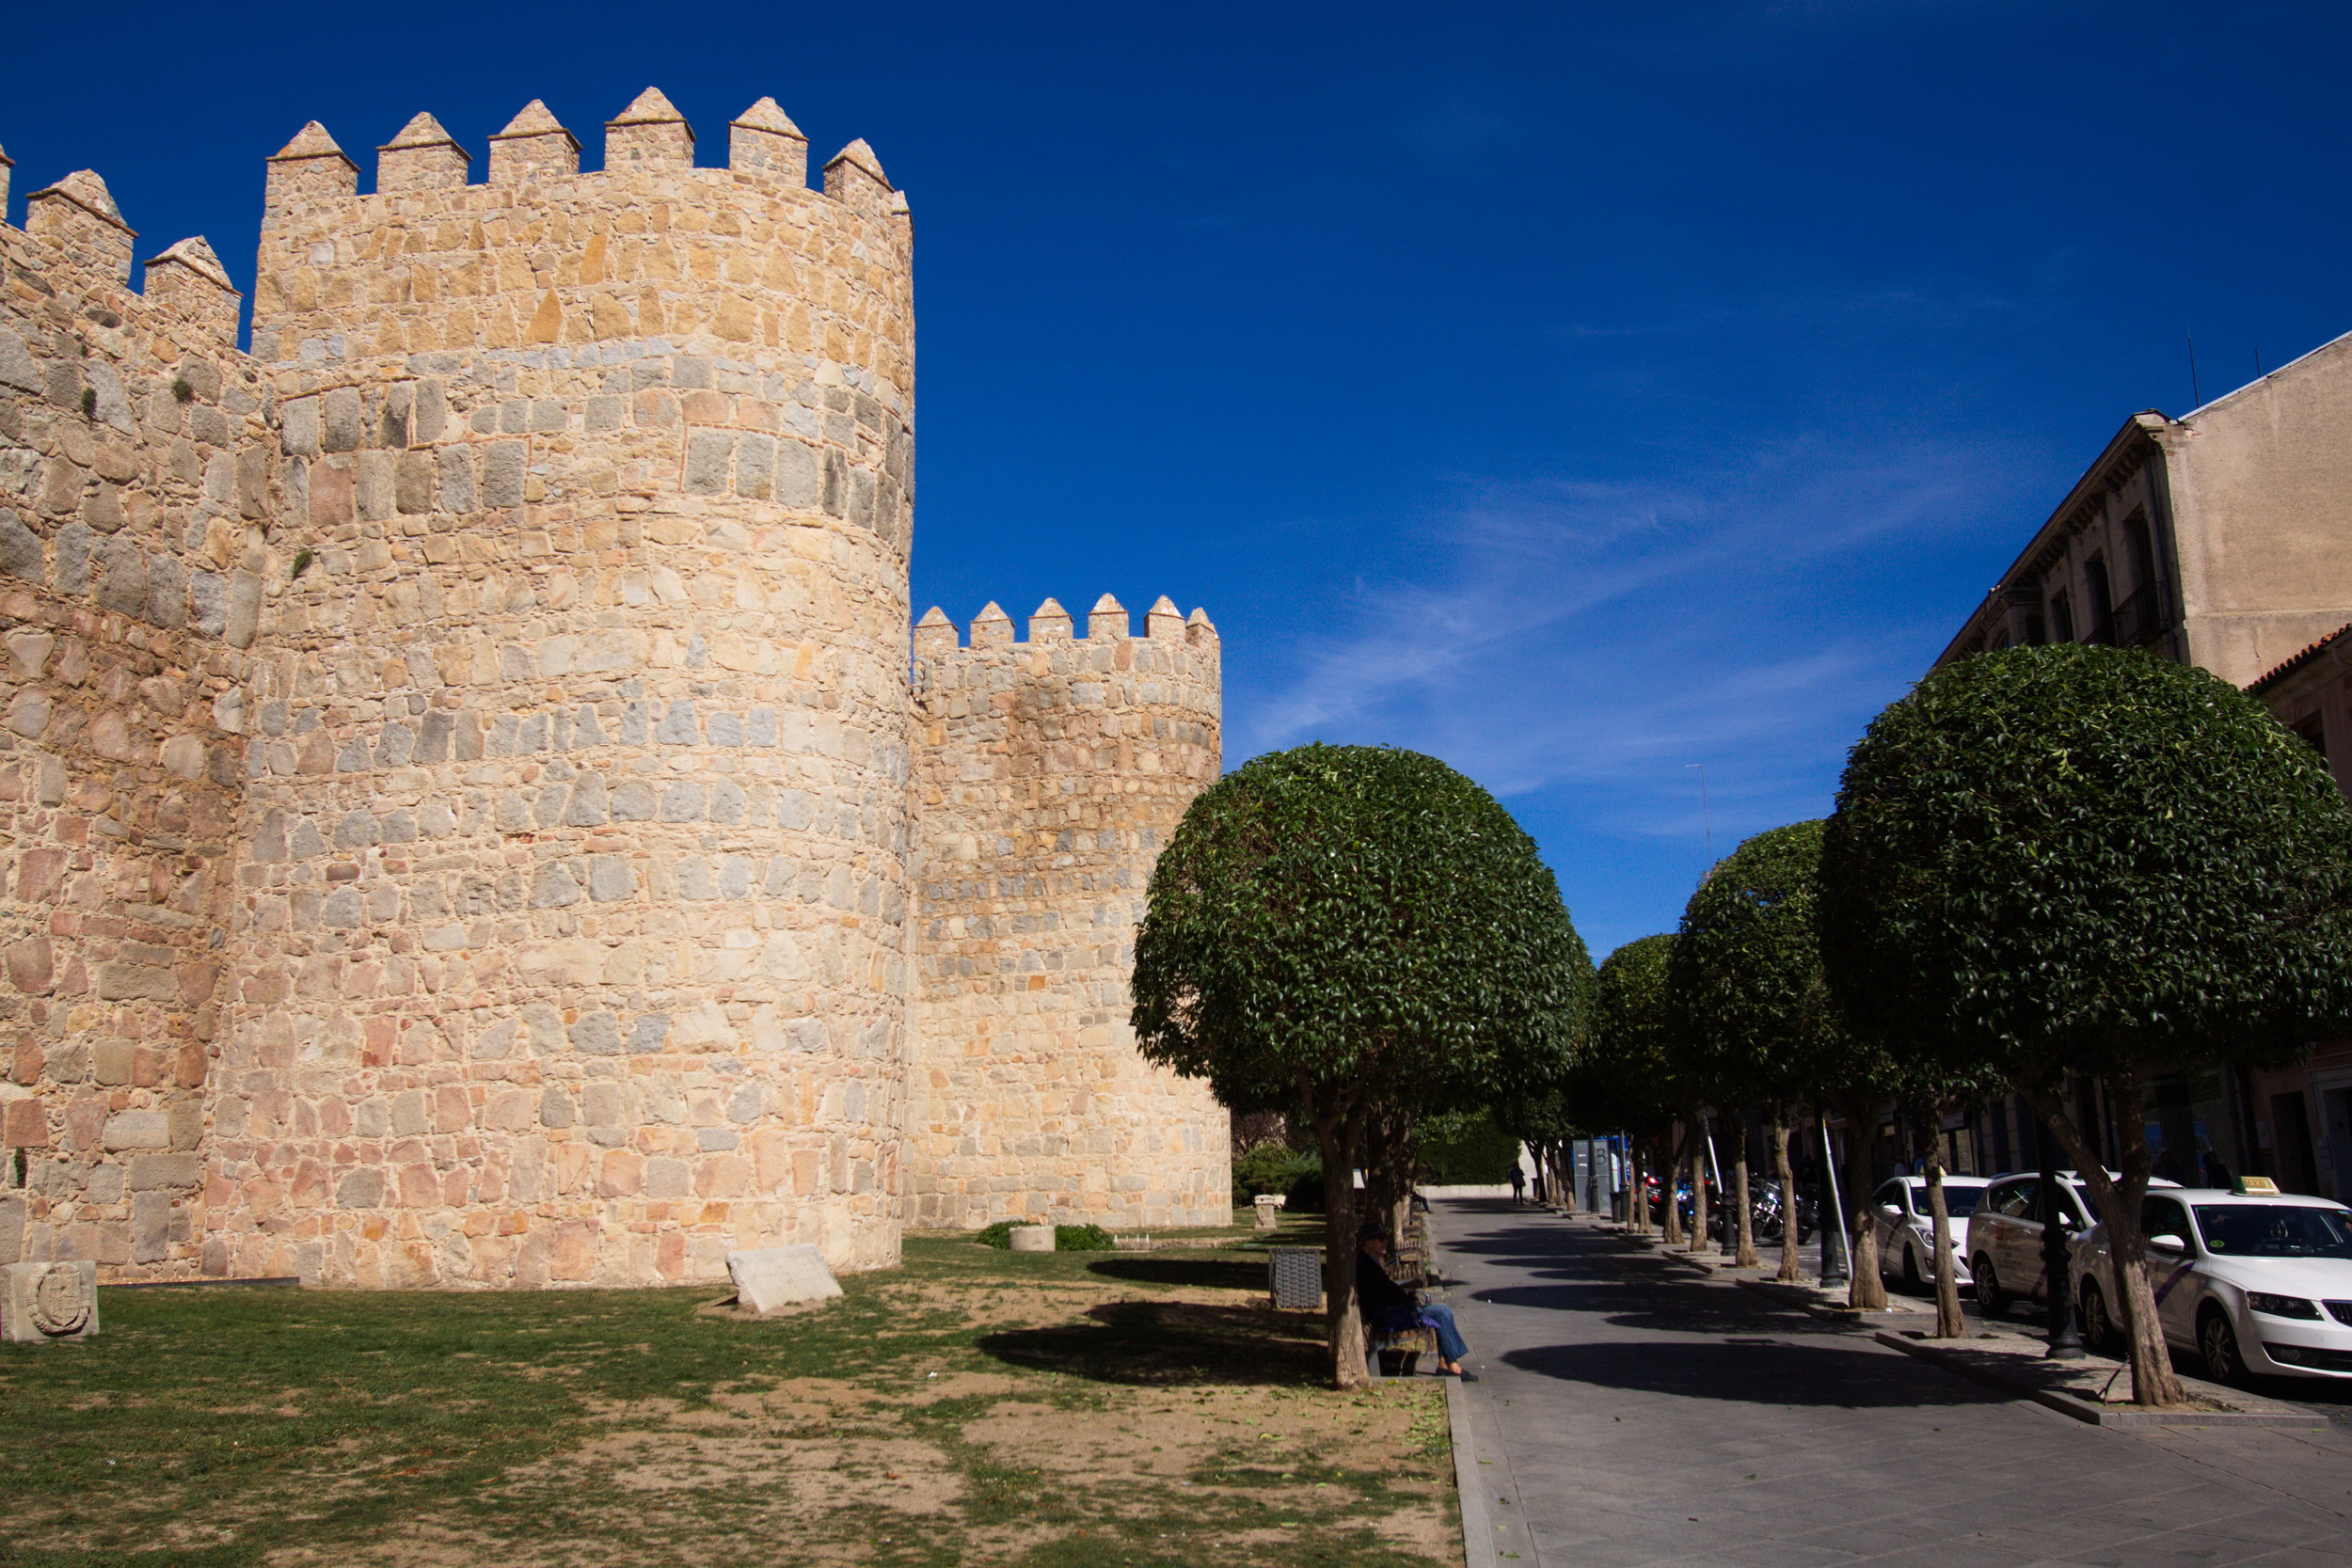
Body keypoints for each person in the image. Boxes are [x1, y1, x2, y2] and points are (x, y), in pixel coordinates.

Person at [1357, 1223, 1474, 1379]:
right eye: (1381, 1239)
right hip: (1387, 1316)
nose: (1385, 1242)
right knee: (1442, 1312)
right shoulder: (1367, 1267)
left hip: (1392, 1312)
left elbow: (1388, 1291)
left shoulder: (1370, 1263)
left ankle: (1444, 1363)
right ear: (1369, 1243)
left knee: (1440, 1312)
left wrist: (1407, 1299)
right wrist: (1408, 1300)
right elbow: (1387, 1294)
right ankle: (1452, 1365)